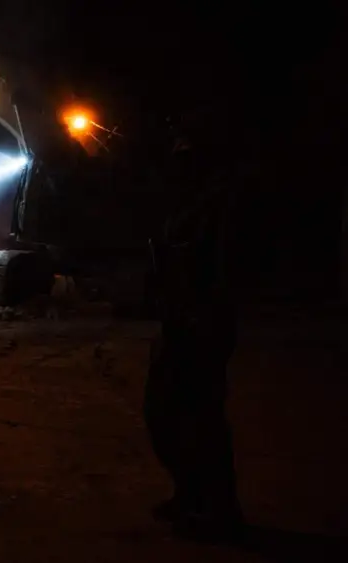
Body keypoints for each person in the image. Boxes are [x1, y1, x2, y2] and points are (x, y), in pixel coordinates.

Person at [145, 127, 244, 542]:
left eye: (187, 159)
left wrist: (208, 317)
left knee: (202, 419)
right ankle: (190, 494)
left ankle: (220, 511)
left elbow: (227, 269)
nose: (179, 167)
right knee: (164, 412)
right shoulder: (188, 206)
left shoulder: (220, 207)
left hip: (202, 324)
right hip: (178, 320)